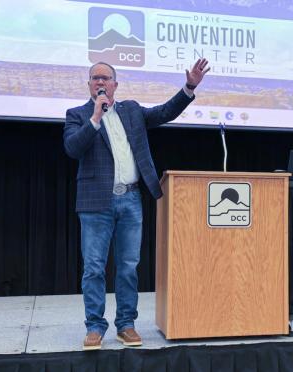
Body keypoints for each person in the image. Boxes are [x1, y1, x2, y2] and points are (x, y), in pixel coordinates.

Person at [63, 58, 210, 350]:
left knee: (128, 266)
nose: (101, 82)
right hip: (95, 202)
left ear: (116, 85)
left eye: (106, 78)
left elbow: (165, 112)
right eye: (95, 78)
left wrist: (189, 86)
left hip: (130, 199)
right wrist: (95, 118)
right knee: (93, 268)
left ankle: (126, 325)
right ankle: (94, 327)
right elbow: (72, 148)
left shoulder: (131, 110)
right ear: (89, 85)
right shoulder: (78, 114)